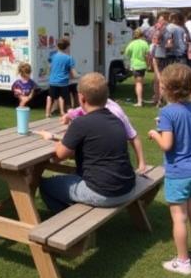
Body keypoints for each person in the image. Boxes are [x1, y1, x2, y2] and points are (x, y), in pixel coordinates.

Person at [36, 72, 141, 214]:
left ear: (82, 98)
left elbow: (60, 155)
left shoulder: (81, 123)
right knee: (75, 177)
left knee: (45, 185)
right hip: (127, 187)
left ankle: (68, 222)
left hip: (104, 194)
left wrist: (55, 140)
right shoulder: (116, 120)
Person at [146, 63, 191, 274]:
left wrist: (156, 134)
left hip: (179, 172)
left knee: (179, 217)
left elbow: (167, 145)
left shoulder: (167, 113)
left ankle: (183, 262)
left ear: (165, 88)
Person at [60, 74, 147, 171]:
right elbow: (80, 109)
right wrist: (69, 115)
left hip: (107, 168)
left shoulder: (115, 114)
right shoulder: (98, 104)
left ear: (81, 98)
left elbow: (133, 136)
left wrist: (142, 163)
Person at [45, 38, 77, 118]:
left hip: (53, 82)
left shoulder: (53, 56)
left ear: (57, 46)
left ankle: (47, 113)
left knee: (51, 98)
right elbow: (73, 73)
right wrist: (78, 76)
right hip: (63, 83)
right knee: (65, 99)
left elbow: (49, 67)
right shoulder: (69, 58)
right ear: (67, 47)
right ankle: (66, 114)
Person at [124, 28, 150, 107]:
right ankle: (140, 99)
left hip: (135, 65)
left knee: (138, 83)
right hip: (143, 65)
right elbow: (147, 55)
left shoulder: (132, 44)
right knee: (140, 82)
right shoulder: (145, 43)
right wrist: (148, 64)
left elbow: (127, 53)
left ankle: (139, 101)